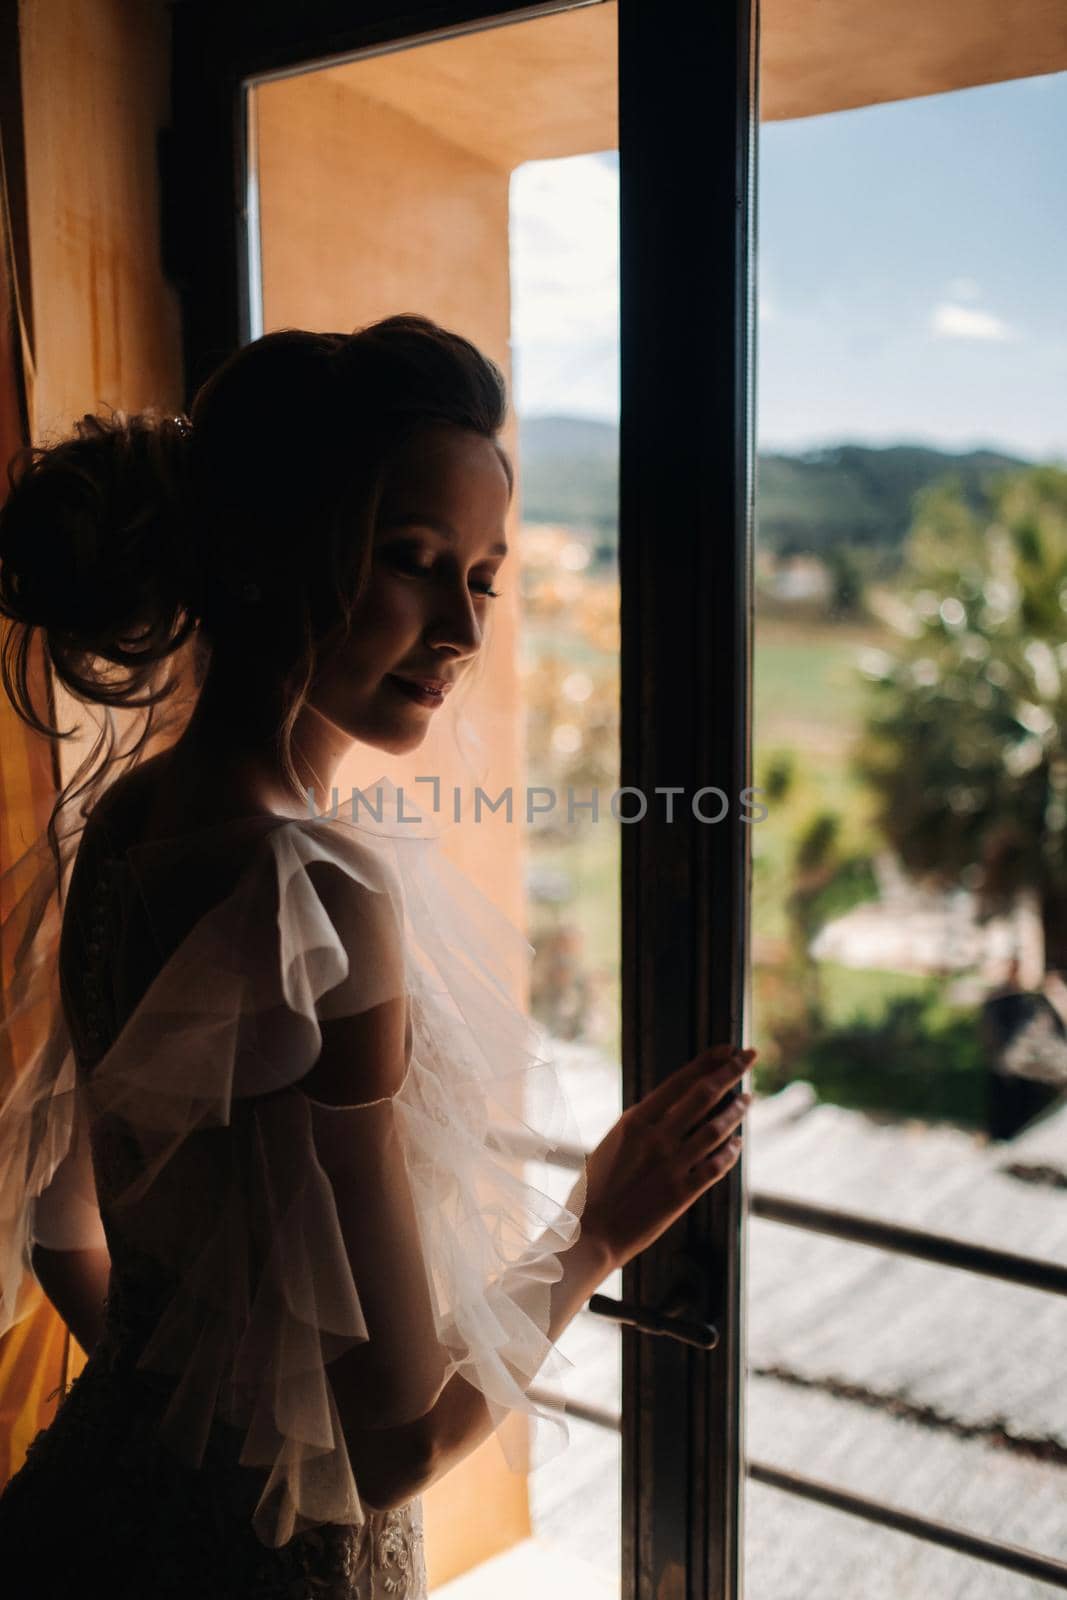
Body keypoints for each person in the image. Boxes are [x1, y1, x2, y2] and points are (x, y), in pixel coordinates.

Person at [0, 314, 754, 1598]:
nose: (459, 631)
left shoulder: (131, 818)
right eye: (411, 560)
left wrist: (173, 1406)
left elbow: (62, 1223)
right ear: (263, 558)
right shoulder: (318, 891)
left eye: (482, 577)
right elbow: (392, 1444)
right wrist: (595, 1231)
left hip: (72, 1517)